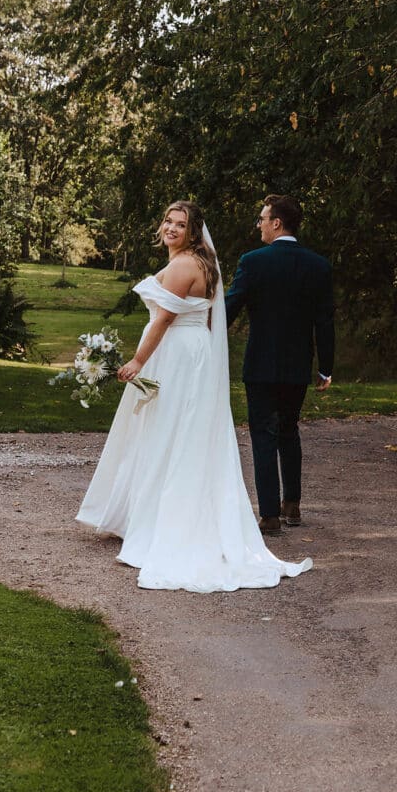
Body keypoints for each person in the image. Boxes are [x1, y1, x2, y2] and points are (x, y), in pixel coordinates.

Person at [76, 200, 312, 592]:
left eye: (180, 224)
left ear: (192, 231)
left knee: (169, 432)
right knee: (178, 432)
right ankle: (150, 515)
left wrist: (137, 360)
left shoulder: (185, 265)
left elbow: (164, 318)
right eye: (168, 220)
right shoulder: (201, 263)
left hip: (179, 353)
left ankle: (162, 524)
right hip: (190, 351)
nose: (171, 227)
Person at [225, 194, 334, 536]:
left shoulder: (253, 262)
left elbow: (230, 308)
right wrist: (325, 368)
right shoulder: (318, 266)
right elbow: (325, 322)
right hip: (297, 366)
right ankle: (293, 505)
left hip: (260, 365)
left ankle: (270, 515)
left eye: (262, 218)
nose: (258, 224)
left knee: (262, 435)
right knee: (289, 429)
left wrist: (201, 331)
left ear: (276, 223)